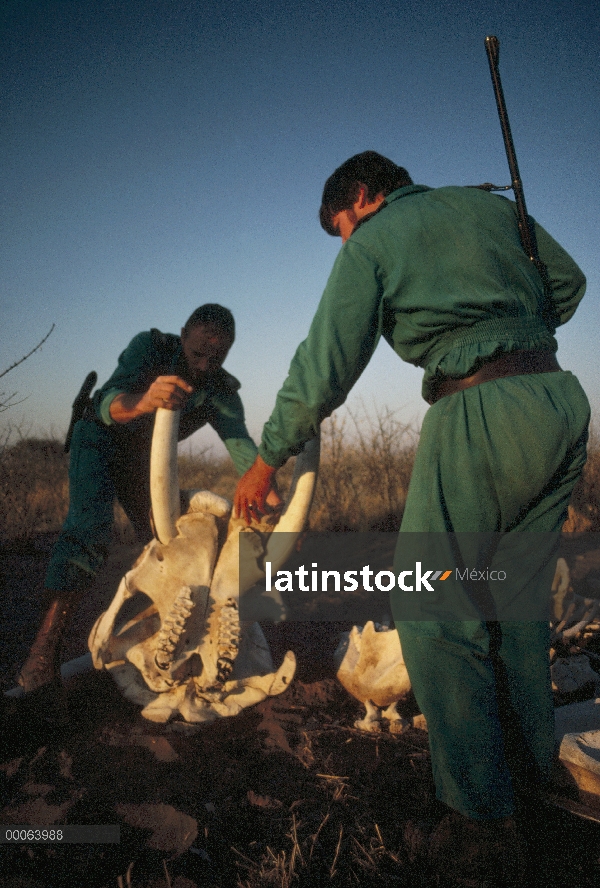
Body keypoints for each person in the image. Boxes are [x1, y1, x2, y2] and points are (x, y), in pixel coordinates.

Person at [233, 152, 589, 883]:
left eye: (341, 228)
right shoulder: (493, 208)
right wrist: (506, 306)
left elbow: (325, 361)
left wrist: (268, 458)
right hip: (556, 403)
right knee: (512, 601)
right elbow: (570, 284)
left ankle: (481, 826)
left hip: (480, 408)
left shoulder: (377, 237)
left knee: (434, 604)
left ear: (363, 197)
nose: (344, 245)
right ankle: (533, 773)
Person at [19, 303, 263, 695]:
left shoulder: (221, 391)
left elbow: (242, 448)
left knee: (171, 537)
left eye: (215, 358)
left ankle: (164, 632)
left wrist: (264, 487)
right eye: (197, 352)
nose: (203, 365)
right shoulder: (149, 348)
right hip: (99, 438)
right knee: (90, 531)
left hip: (145, 461)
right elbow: (108, 402)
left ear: (229, 352)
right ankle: (43, 651)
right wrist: (145, 400)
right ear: (182, 335)